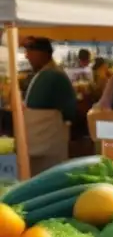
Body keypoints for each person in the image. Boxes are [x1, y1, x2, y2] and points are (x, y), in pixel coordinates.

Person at [22, 37, 76, 174]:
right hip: (37, 141)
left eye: (30, 52)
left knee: (49, 173)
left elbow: (69, 110)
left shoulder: (55, 75)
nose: (27, 56)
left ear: (43, 53)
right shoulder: (43, 74)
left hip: (49, 142)